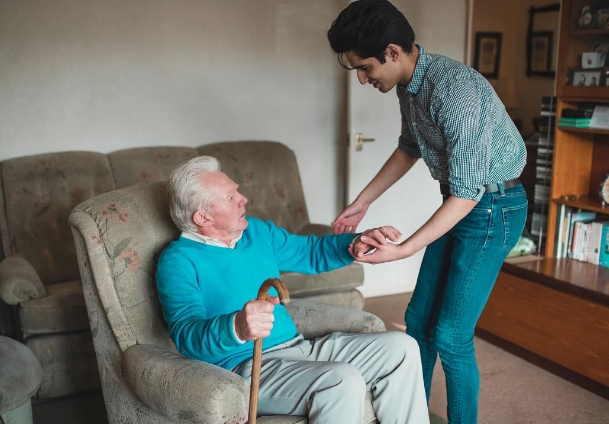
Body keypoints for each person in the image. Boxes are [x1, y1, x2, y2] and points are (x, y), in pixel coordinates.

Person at [327, 1, 528, 423]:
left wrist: (403, 251)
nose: (363, 80)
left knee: (452, 336)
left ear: (394, 51)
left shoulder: (454, 91)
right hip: (464, 201)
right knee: (418, 320)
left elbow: (469, 193)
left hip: (493, 208)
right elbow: (409, 147)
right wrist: (362, 201)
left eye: (365, 68)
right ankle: (411, 416)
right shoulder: (409, 86)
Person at [155, 155, 430, 424]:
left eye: (236, 191)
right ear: (203, 218)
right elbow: (186, 335)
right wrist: (237, 326)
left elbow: (310, 252)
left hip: (299, 347)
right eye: (230, 197)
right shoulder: (178, 261)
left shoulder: (255, 232)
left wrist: (355, 243)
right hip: (247, 368)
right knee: (341, 380)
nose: (243, 199)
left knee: (401, 347)